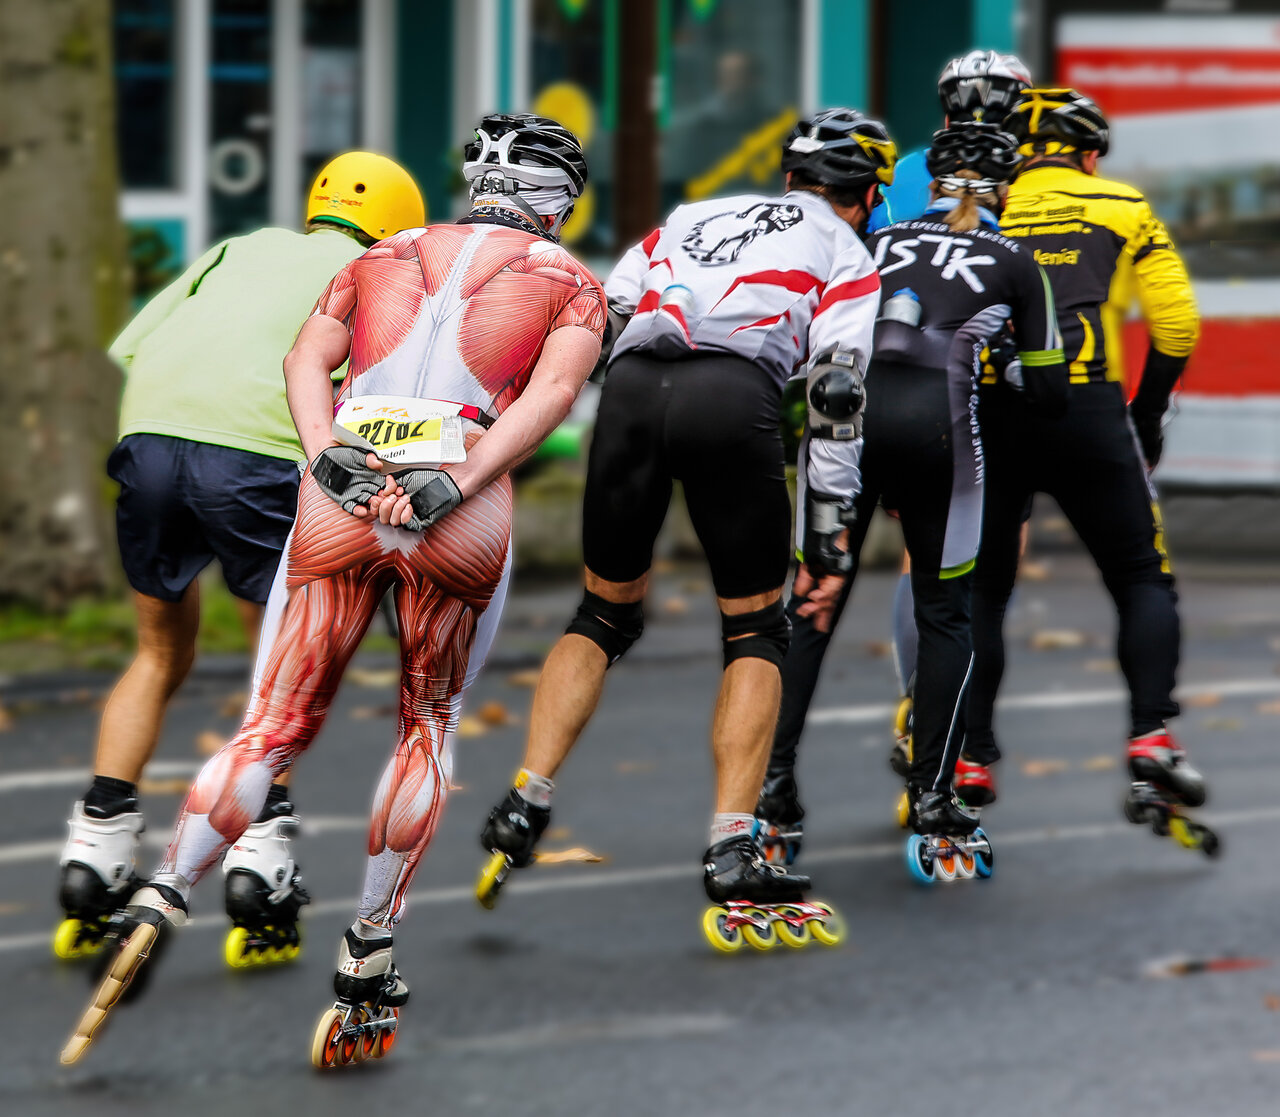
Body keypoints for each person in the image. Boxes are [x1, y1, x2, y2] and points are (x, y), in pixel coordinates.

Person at [61, 114, 605, 1068]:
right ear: (563, 199)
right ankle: (368, 953)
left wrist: (328, 458)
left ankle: (165, 887)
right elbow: (552, 399)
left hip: (347, 466)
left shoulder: (388, 249)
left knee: (269, 720)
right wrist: (459, 481)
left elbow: (303, 361)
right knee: (426, 721)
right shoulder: (571, 283)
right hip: (456, 477)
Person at [475, 109, 894, 950]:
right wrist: (830, 532)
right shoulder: (848, 252)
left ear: (790, 178)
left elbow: (604, 313)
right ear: (867, 196)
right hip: (729, 398)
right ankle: (733, 844)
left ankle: (526, 798)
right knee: (755, 626)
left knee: (601, 613)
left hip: (632, 390)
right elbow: (838, 398)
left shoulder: (695, 217)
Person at [54, 152, 426, 965]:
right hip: (254, 460)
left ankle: (95, 853)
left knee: (158, 652)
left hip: (148, 437)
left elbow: (138, 344)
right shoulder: (382, 273)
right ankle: (262, 866)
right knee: (277, 677)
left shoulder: (240, 247)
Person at [756, 124, 1067, 875]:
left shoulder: (876, 240)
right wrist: (999, 365)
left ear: (928, 180)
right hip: (941, 435)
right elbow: (1050, 393)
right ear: (1007, 190)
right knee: (947, 612)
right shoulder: (1017, 261)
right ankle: (934, 794)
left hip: (844, 429)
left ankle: (770, 791)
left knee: (809, 605)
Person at [968, 89, 1209, 848]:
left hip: (993, 407)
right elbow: (1177, 323)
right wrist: (1147, 413)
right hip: (1088, 408)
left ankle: (968, 755)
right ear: (1090, 154)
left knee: (980, 588)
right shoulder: (1120, 205)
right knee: (1141, 574)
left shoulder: (979, 211)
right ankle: (1150, 737)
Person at [869, 49, 1034, 810]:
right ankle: (960, 739)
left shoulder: (907, 171)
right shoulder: (1027, 175)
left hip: (902, 380)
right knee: (982, 569)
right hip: (1000, 386)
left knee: (922, 563)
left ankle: (921, 716)